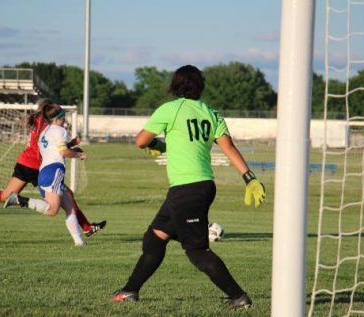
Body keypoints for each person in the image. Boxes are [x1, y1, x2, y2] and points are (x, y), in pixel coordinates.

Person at [110, 65, 266, 309]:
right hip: (202, 186)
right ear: (200, 87)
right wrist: (249, 178)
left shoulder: (170, 109)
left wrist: (158, 145)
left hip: (186, 190)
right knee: (154, 239)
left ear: (175, 84)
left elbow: (141, 140)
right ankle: (129, 291)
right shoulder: (212, 113)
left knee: (197, 252)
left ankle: (238, 296)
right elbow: (229, 148)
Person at [0, 98, 106, 241]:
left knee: (6, 196)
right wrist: (73, 146)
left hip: (27, 162)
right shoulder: (49, 124)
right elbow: (55, 148)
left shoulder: (39, 120)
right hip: (41, 166)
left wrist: (70, 144)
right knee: (65, 199)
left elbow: (50, 145)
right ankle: (86, 228)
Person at [3, 103, 102, 246]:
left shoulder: (45, 131)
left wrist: (73, 142)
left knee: (70, 207)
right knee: (52, 210)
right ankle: (19, 200)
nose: (64, 120)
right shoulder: (59, 130)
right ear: (58, 118)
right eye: (63, 117)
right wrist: (79, 154)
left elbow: (56, 148)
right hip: (54, 171)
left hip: (44, 172)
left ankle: (79, 242)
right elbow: (63, 152)